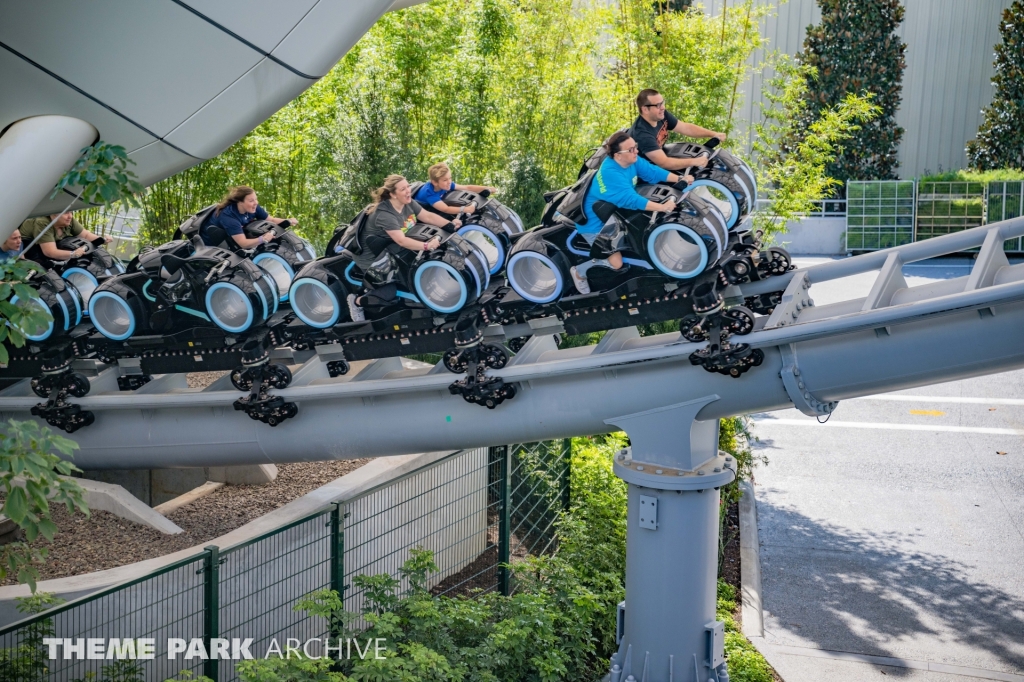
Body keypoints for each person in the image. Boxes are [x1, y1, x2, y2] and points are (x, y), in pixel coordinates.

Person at [570, 130, 690, 295]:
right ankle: (579, 272)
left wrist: (679, 179)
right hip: (594, 222)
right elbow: (631, 200)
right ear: (618, 155)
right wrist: (662, 207)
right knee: (616, 262)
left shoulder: (630, 160)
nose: (637, 151)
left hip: (612, 211)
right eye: (631, 149)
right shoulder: (611, 174)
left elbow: (652, 171)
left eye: (635, 147)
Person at [347, 175, 463, 322]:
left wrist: (450, 224)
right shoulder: (385, 215)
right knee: (389, 293)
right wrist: (426, 246)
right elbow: (401, 241)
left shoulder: (407, 202)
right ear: (393, 194)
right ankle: (356, 302)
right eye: (403, 189)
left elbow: (427, 216)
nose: (408, 191)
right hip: (371, 257)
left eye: (408, 186)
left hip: (389, 247)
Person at [629, 88, 727, 173]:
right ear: (645, 109)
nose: (663, 107)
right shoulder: (642, 134)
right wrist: (695, 161)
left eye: (663, 102)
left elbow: (685, 128)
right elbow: (664, 163)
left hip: (659, 160)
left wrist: (713, 134)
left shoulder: (660, 115)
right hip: (644, 174)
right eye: (658, 105)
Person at [199, 186, 297, 249]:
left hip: (235, 236)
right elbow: (243, 243)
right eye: (251, 201)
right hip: (212, 245)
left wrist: (287, 221)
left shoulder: (253, 207)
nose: (256, 203)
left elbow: (271, 220)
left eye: (256, 199)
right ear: (240, 202)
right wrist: (262, 239)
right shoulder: (229, 217)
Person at [413, 163, 497, 218]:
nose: (449, 182)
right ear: (435, 182)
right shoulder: (430, 193)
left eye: (450, 178)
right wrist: (465, 209)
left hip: (439, 201)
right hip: (425, 209)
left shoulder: (446, 185)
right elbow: (446, 209)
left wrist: (486, 188)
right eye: (445, 180)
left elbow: (467, 188)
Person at [20, 212, 111, 262]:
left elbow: (86, 235)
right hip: (28, 246)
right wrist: (72, 254)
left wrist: (102, 240)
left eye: (71, 212)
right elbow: (50, 252)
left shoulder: (68, 220)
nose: (70, 216)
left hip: (50, 245)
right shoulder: (42, 222)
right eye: (66, 213)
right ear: (53, 214)